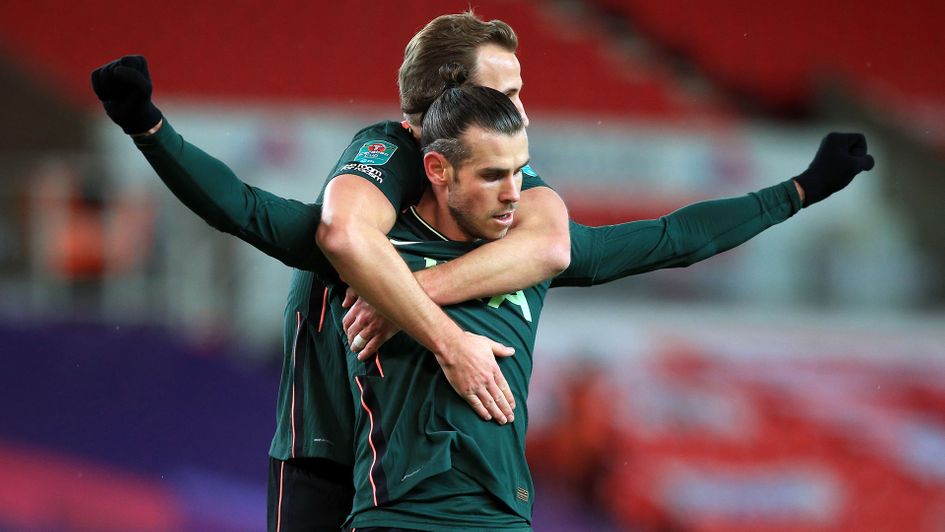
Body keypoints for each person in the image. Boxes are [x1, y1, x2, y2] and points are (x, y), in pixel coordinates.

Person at [90, 11, 874, 530]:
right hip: (324, 456)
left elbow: (648, 238)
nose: (520, 115)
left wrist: (796, 192)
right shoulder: (377, 168)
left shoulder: (516, 198)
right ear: (439, 128)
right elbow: (267, 215)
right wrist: (149, 127)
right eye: (505, 93)